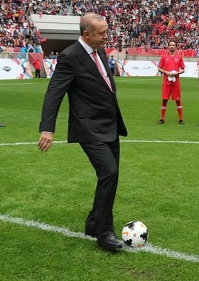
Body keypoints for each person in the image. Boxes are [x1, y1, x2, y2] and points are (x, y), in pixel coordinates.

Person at [38, 13, 127, 252]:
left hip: (109, 125)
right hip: (88, 127)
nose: (106, 37)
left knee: (111, 175)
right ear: (86, 34)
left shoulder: (99, 51)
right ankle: (104, 232)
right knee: (109, 172)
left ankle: (93, 223)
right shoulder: (70, 56)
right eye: (101, 33)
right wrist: (47, 128)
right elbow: (54, 93)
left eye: (106, 31)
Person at [157, 41, 185, 125]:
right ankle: (162, 118)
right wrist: (166, 72)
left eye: (173, 45)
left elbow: (183, 69)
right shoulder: (164, 57)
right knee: (164, 99)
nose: (172, 46)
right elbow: (159, 68)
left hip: (175, 82)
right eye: (170, 45)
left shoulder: (179, 57)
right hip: (166, 82)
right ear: (168, 46)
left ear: (176, 47)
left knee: (178, 100)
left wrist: (177, 73)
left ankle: (180, 119)